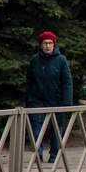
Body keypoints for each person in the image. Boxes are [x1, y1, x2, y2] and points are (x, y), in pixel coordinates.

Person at [24, 31, 73, 162]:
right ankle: (37, 153)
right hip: (37, 100)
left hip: (56, 99)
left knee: (56, 128)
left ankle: (54, 154)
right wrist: (28, 98)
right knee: (36, 126)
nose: (47, 46)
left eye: (50, 43)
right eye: (45, 43)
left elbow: (67, 81)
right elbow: (29, 80)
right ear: (41, 44)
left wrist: (67, 102)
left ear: (54, 44)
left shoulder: (61, 60)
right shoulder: (35, 60)